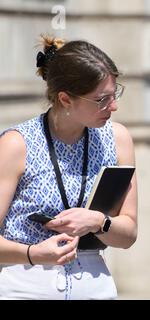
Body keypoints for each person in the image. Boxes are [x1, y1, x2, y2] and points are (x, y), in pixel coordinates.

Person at [0, 36, 138, 299]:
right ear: (65, 99)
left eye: (114, 93)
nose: (114, 106)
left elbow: (129, 234)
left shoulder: (118, 139)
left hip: (95, 286)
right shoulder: (16, 144)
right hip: (26, 286)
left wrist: (99, 222)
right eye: (101, 99)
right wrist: (33, 254)